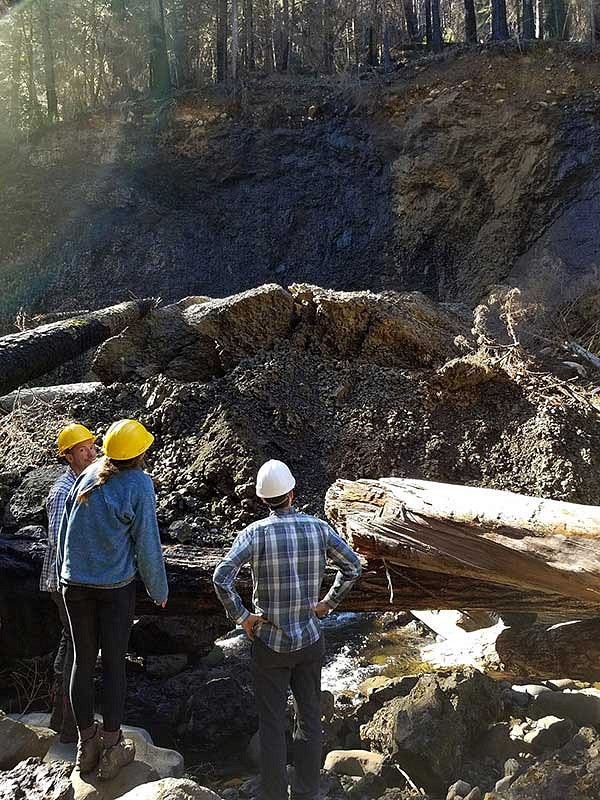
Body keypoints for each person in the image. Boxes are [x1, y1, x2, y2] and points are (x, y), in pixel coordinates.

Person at [213, 460, 362, 800]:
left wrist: (243, 617)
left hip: (270, 644)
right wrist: (328, 604)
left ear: (263, 500)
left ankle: (276, 793)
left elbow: (221, 577)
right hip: (309, 639)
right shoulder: (318, 528)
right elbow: (353, 566)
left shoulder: (253, 534)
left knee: (271, 724)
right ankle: (307, 792)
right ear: (292, 493)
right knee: (309, 720)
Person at [56, 419, 168, 781]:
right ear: (139, 453)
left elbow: (64, 532)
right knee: (115, 664)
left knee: (83, 663)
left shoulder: (88, 475)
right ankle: (113, 745)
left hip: (73, 583)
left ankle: (84, 745)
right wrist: (158, 590)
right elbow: (147, 543)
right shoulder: (139, 483)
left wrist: (63, 574)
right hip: (113, 588)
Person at [40, 423, 97, 743]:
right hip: (64, 581)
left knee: (70, 641)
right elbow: (59, 542)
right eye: (83, 449)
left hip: (68, 580)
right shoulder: (63, 491)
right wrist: (74, 585)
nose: (91, 453)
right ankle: (69, 727)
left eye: (91, 446)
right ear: (68, 457)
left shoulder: (83, 482)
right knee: (80, 645)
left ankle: (58, 717)